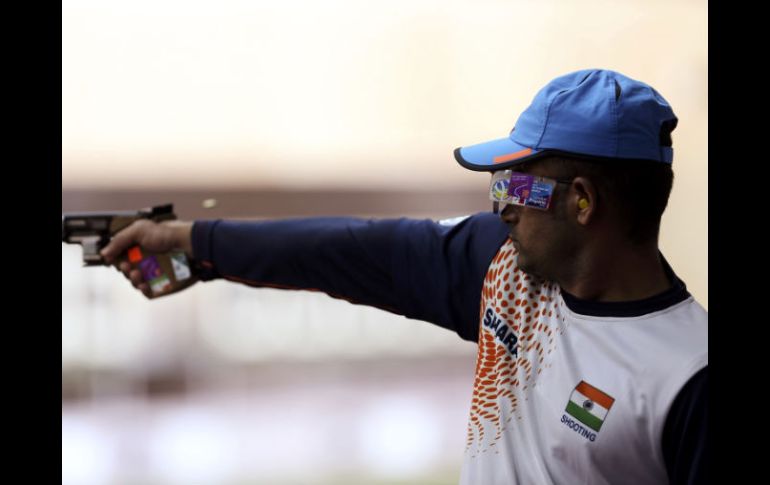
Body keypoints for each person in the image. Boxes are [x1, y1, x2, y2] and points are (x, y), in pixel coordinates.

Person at [100, 69, 707, 484]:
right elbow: (351, 249)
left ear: (583, 201)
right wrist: (192, 244)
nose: (502, 207)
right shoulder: (503, 266)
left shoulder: (689, 379)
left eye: (516, 186)